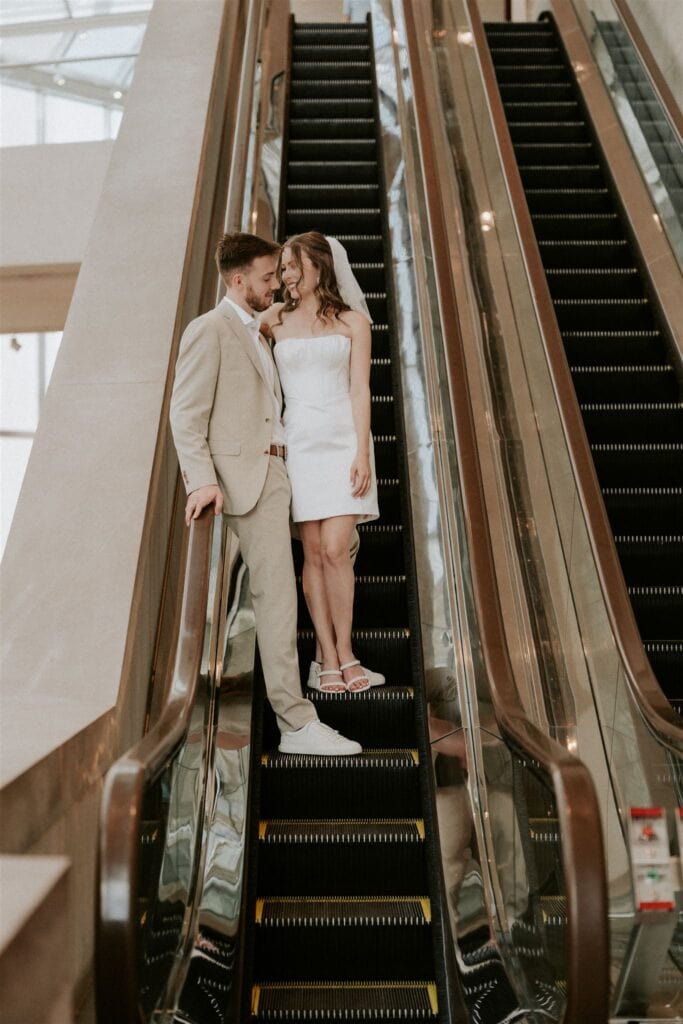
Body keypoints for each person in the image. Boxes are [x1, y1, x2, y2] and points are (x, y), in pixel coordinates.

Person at [170, 231, 361, 756]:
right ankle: (296, 724)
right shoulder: (209, 330)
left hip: (283, 470)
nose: (276, 284)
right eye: (267, 277)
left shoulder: (262, 327)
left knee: (316, 566)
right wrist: (202, 480)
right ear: (238, 280)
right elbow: (185, 414)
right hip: (246, 479)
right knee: (276, 598)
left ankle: (321, 674)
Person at [260, 231, 385, 694]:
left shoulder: (354, 322)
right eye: (283, 268)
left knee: (335, 550)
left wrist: (362, 452)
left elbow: (359, 390)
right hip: (298, 444)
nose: (285, 276)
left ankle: (346, 650)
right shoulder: (273, 319)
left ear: (319, 266)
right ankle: (328, 657)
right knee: (312, 553)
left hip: (342, 441)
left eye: (292, 266)